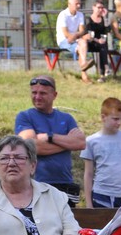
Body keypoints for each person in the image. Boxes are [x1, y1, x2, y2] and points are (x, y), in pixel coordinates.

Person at [15, 75, 87, 207]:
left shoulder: (67, 118)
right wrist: (68, 143)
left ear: (54, 95)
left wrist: (50, 137)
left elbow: (81, 143)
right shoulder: (25, 117)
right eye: (34, 93)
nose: (37, 97)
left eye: (42, 93)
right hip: (36, 184)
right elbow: (32, 147)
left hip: (65, 185)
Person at [82, 97, 121, 209]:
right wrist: (88, 203)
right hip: (101, 195)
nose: (119, 123)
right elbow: (88, 174)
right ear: (103, 117)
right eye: (115, 119)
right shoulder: (91, 141)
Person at [55, 0, 92, 83]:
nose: (79, 6)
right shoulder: (63, 15)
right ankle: (84, 75)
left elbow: (82, 31)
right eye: (76, 4)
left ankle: (84, 65)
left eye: (79, 4)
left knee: (83, 42)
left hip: (74, 39)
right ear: (69, 4)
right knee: (80, 48)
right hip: (63, 40)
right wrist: (74, 36)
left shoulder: (80, 15)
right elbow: (65, 33)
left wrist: (75, 35)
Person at [83, 0, 110, 83]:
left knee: (103, 46)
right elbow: (88, 34)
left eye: (102, 8)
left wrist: (105, 17)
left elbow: (107, 30)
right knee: (102, 46)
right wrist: (97, 40)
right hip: (91, 43)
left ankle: (102, 75)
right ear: (93, 8)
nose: (100, 10)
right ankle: (106, 68)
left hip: (101, 43)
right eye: (98, 7)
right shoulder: (88, 19)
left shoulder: (103, 19)